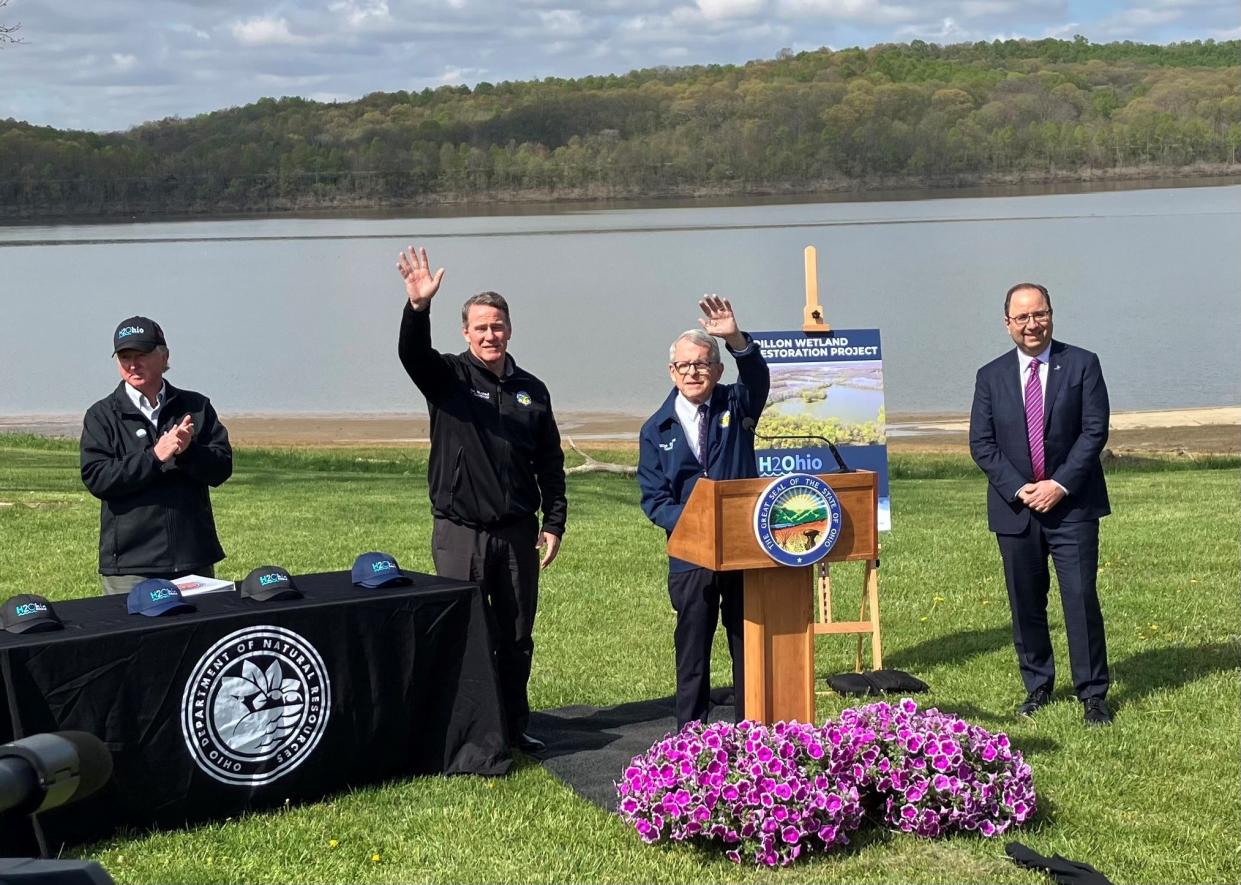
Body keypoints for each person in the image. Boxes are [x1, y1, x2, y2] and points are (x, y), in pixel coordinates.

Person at [396, 245, 566, 754]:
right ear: (465, 334)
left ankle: (512, 728)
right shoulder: (446, 378)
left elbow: (551, 462)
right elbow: (411, 354)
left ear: (509, 330)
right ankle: (463, 734)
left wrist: (553, 522)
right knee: (462, 636)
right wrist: (417, 308)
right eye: (480, 328)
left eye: (497, 326)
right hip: (460, 532)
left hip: (516, 532)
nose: (489, 335)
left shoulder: (531, 390)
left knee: (515, 637)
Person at [969, 283, 1113, 726]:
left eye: (1040, 314)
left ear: (1051, 314)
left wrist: (1059, 485)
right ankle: (1037, 687)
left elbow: (1094, 432)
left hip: (1072, 507)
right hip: (1016, 510)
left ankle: (1092, 695)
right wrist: (1021, 488)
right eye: (1022, 317)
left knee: (1080, 597)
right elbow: (982, 443)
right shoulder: (989, 376)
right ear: (1007, 323)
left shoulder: (1083, 365)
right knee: (1026, 602)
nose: (1032, 325)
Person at [637, 296, 770, 729]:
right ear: (671, 372)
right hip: (690, 554)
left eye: (701, 364)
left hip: (741, 548)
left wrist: (733, 336)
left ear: (716, 369)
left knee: (744, 640)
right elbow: (654, 500)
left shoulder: (738, 403)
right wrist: (697, 521)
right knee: (692, 645)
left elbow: (757, 374)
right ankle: (690, 734)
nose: (692, 372)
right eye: (683, 366)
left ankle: (753, 727)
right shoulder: (656, 429)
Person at [81, 316, 233, 596]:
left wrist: (188, 453)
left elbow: (221, 468)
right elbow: (98, 478)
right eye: (125, 356)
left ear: (164, 356)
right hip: (132, 567)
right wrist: (154, 456)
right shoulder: (101, 416)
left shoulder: (195, 407)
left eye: (142, 355)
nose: (132, 364)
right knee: (133, 640)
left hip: (193, 558)